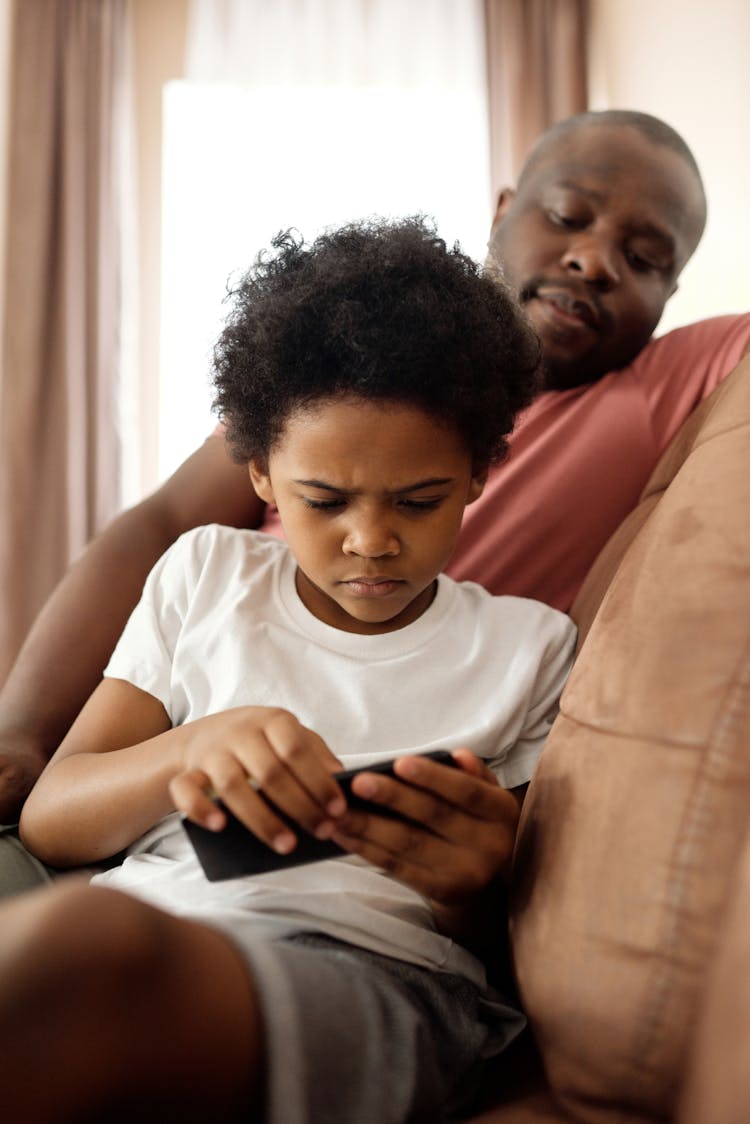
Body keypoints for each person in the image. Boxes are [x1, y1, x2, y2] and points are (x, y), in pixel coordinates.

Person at [1, 107, 748, 831]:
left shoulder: (665, 383)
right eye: (567, 216)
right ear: (504, 210)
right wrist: (23, 731)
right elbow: (162, 524)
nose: (594, 260)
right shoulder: (338, 377)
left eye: (646, 257)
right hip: (206, 737)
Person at [0, 218, 575, 1123]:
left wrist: (471, 882)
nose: (372, 540)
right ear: (264, 474)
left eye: (420, 501)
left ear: (476, 476)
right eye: (325, 500)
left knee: (86, 954)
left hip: (379, 973)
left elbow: (517, 939)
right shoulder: (207, 575)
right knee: (78, 947)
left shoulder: (530, 648)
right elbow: (53, 818)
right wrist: (190, 749)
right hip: (154, 912)